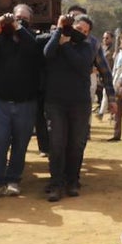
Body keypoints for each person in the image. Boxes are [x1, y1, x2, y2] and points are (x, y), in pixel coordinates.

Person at [0, 4, 44, 199]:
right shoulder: (0, 39)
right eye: (16, 17)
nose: (19, 20)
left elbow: (35, 51)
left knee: (20, 143)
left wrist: (18, 28)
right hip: (1, 102)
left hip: (26, 102)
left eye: (23, 18)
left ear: (30, 21)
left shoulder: (34, 38)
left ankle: (13, 180)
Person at [41, 13, 96, 201]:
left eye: (85, 31)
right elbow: (47, 53)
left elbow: (81, 65)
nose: (81, 33)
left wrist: (65, 46)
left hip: (79, 103)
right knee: (56, 144)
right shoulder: (54, 40)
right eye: (78, 28)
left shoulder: (86, 47)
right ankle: (56, 184)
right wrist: (59, 29)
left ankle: (73, 181)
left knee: (76, 144)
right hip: (55, 102)